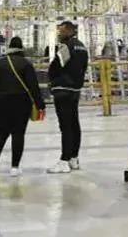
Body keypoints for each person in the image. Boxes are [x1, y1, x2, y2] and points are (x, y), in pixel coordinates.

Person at [0, 36, 44, 175]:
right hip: (22, 103)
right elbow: (33, 87)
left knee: (0, 133)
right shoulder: (26, 64)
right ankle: (15, 167)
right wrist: (40, 104)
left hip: (4, 103)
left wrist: (0, 93)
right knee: (18, 134)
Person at [46, 20, 88, 174]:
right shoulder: (82, 47)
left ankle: (64, 160)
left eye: (61, 31)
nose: (59, 34)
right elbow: (83, 68)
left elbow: (57, 65)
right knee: (74, 124)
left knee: (65, 126)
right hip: (75, 90)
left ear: (69, 31)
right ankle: (73, 158)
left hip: (62, 89)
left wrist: (52, 78)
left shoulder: (67, 46)